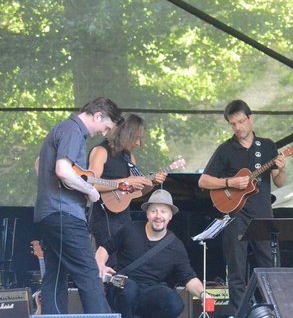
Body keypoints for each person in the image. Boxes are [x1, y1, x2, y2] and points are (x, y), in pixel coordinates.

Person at [34, 97, 122, 314]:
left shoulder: (61, 129)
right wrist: (90, 190)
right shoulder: (73, 130)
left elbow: (39, 163)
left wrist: (51, 191)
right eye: (106, 127)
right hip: (65, 215)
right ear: (98, 115)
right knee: (88, 273)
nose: (104, 132)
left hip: (48, 213)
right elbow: (63, 170)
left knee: (54, 276)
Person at [198, 99, 287, 313]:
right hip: (235, 216)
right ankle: (240, 313)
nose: (238, 128)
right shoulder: (225, 149)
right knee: (236, 270)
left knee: (269, 268)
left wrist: (282, 168)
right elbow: (203, 181)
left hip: (263, 216)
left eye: (240, 122)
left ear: (251, 118)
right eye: (233, 124)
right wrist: (229, 182)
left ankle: (272, 312)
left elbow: (279, 181)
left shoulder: (267, 146)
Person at [95, 189, 206, 318]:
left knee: (174, 303)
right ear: (147, 214)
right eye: (154, 211)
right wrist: (100, 266)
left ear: (170, 216)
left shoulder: (176, 246)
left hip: (150, 292)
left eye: (163, 211)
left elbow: (189, 277)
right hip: (122, 286)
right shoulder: (130, 229)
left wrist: (203, 294)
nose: (158, 216)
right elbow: (104, 248)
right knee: (128, 290)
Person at [88, 113, 167, 253]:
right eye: (136, 138)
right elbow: (90, 184)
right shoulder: (100, 151)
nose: (138, 143)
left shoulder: (129, 157)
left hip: (124, 218)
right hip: (103, 218)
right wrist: (124, 182)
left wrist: (152, 183)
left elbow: (136, 192)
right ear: (125, 134)